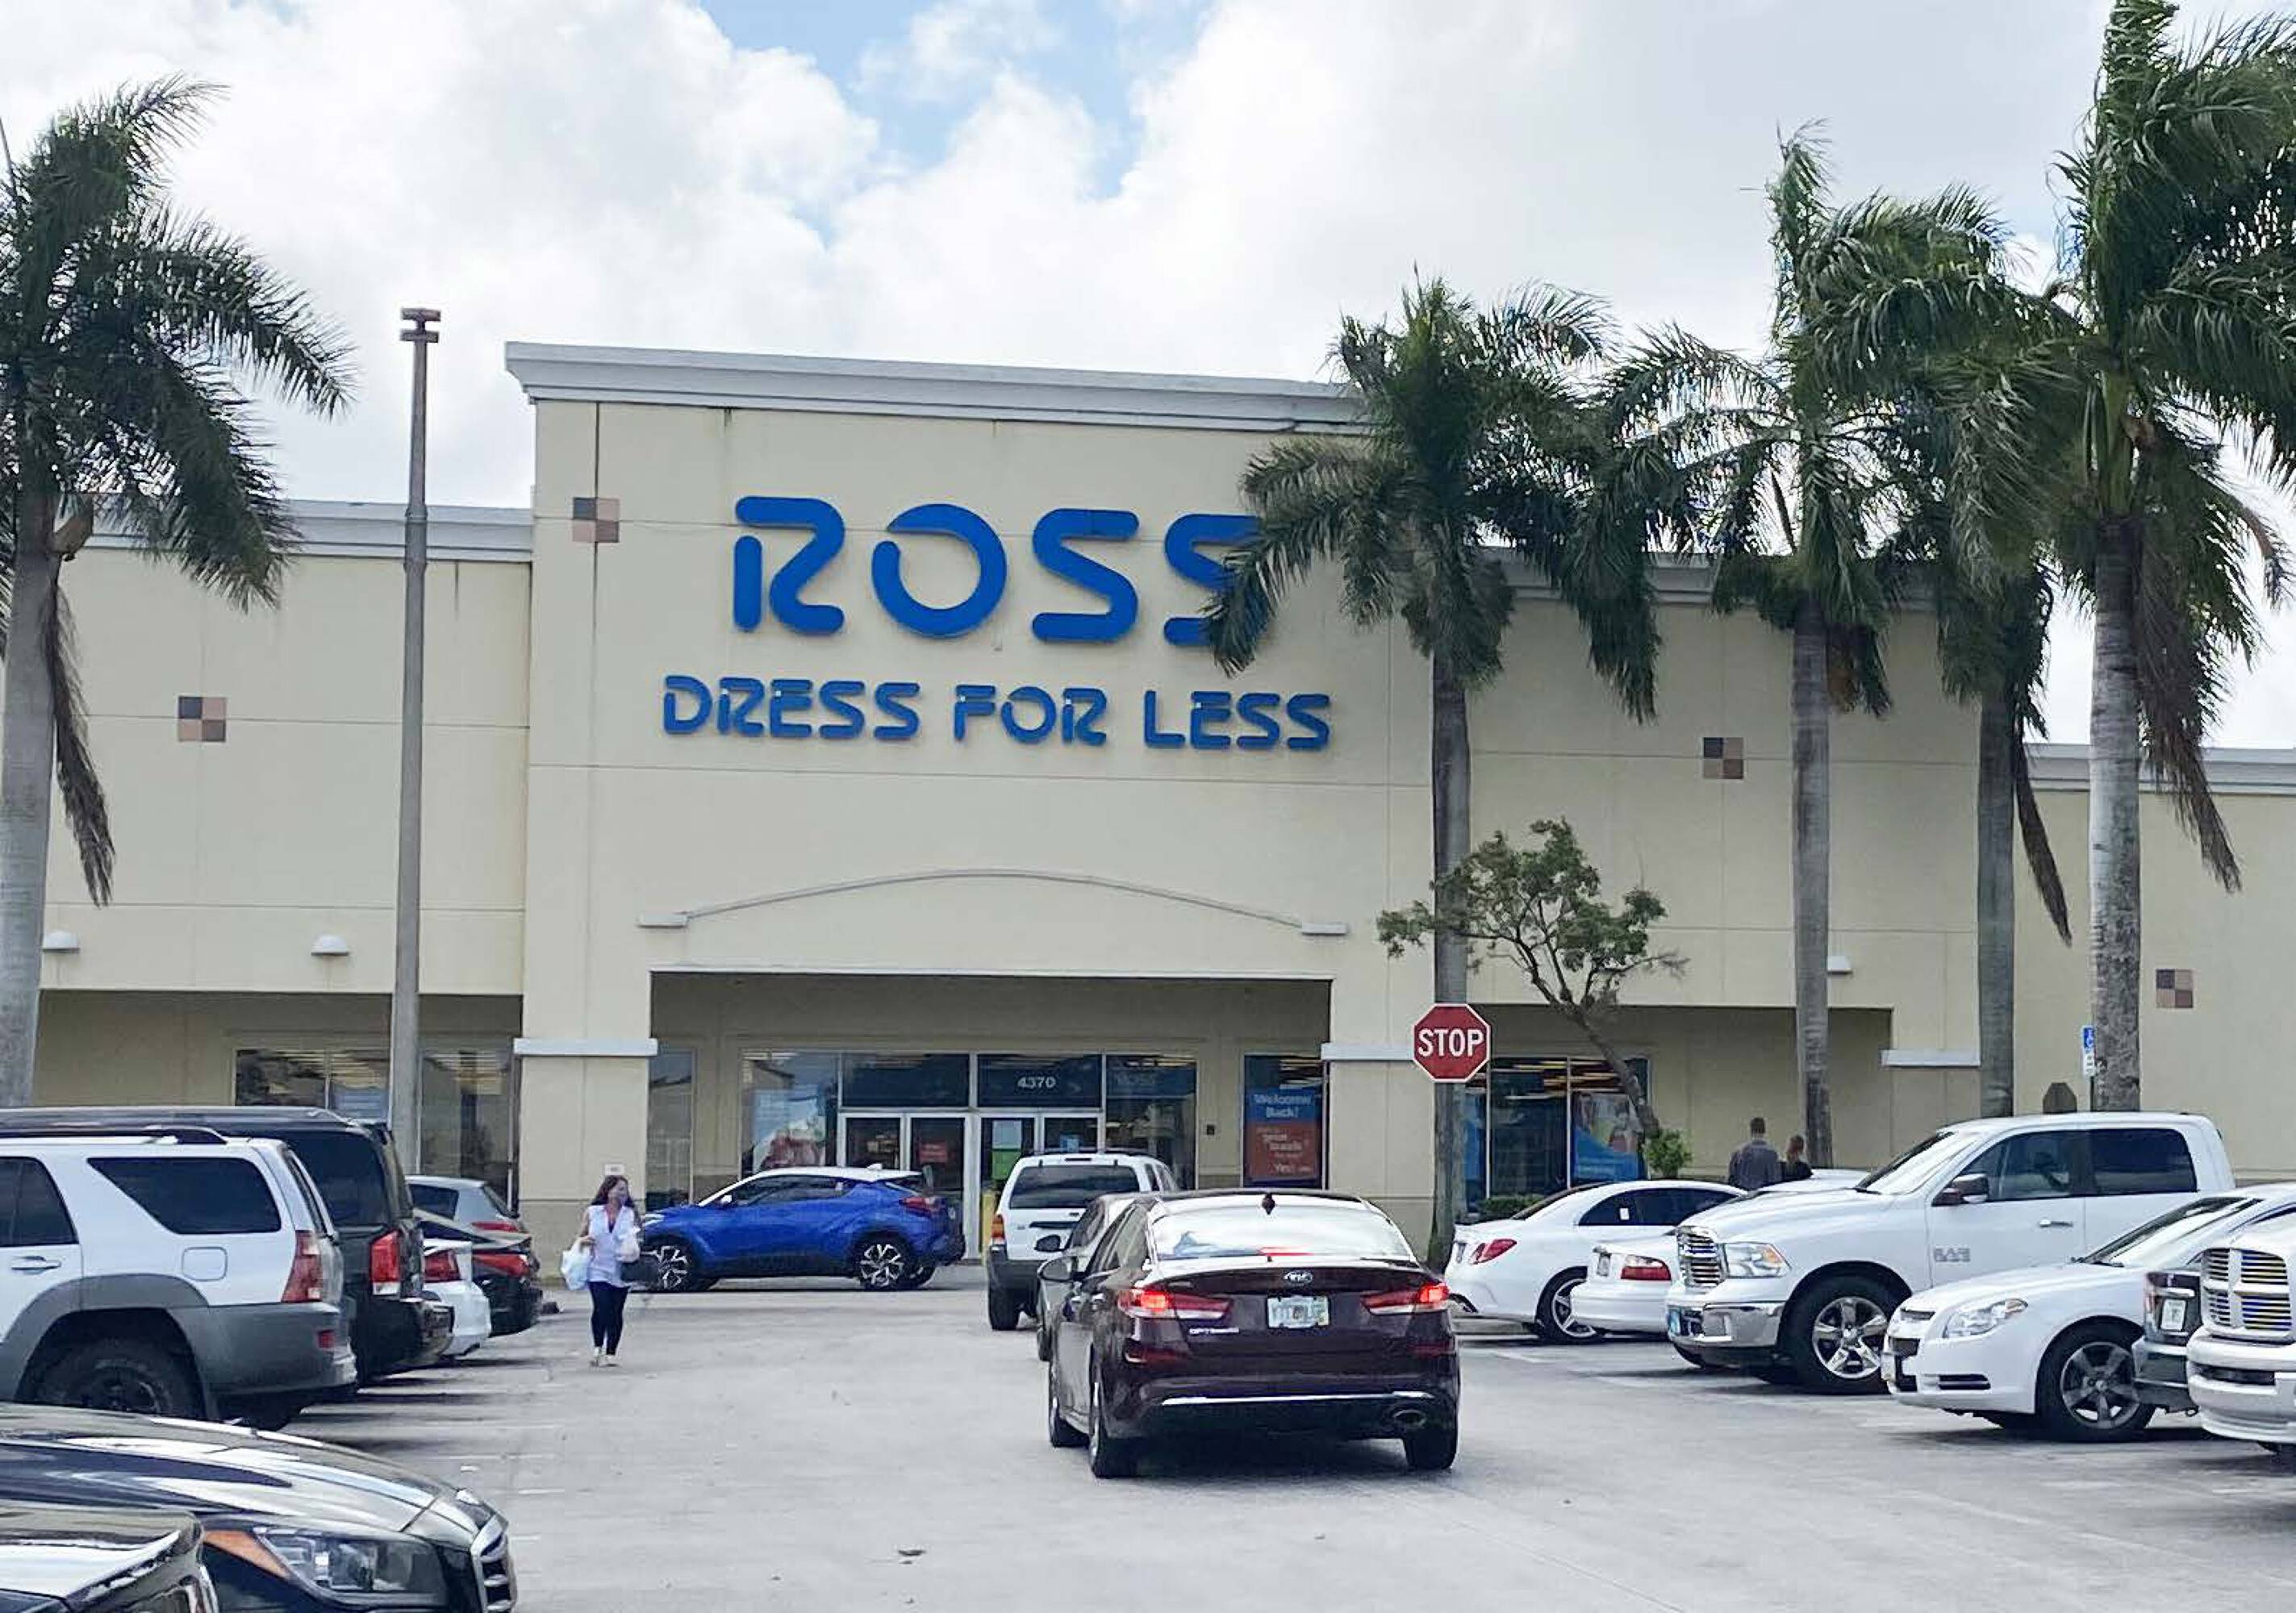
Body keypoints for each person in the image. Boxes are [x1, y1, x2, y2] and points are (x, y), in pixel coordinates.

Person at [578, 1173, 641, 1367]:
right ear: (608, 1190)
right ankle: (598, 1349)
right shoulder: (593, 1212)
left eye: (625, 1190)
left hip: (621, 1269)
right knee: (601, 1307)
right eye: (619, 1189)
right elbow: (580, 1236)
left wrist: (635, 1244)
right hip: (597, 1267)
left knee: (616, 1311)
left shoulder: (630, 1214)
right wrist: (584, 1241)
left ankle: (611, 1351)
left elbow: (639, 1237)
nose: (623, 1193)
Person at [1726, 1117, 1783, 1191]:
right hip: (1763, 1194)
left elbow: (1731, 1177)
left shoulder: (1739, 1152)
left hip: (1742, 1193)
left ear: (1751, 1130)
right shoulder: (1772, 1154)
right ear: (1764, 1130)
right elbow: (1775, 1180)